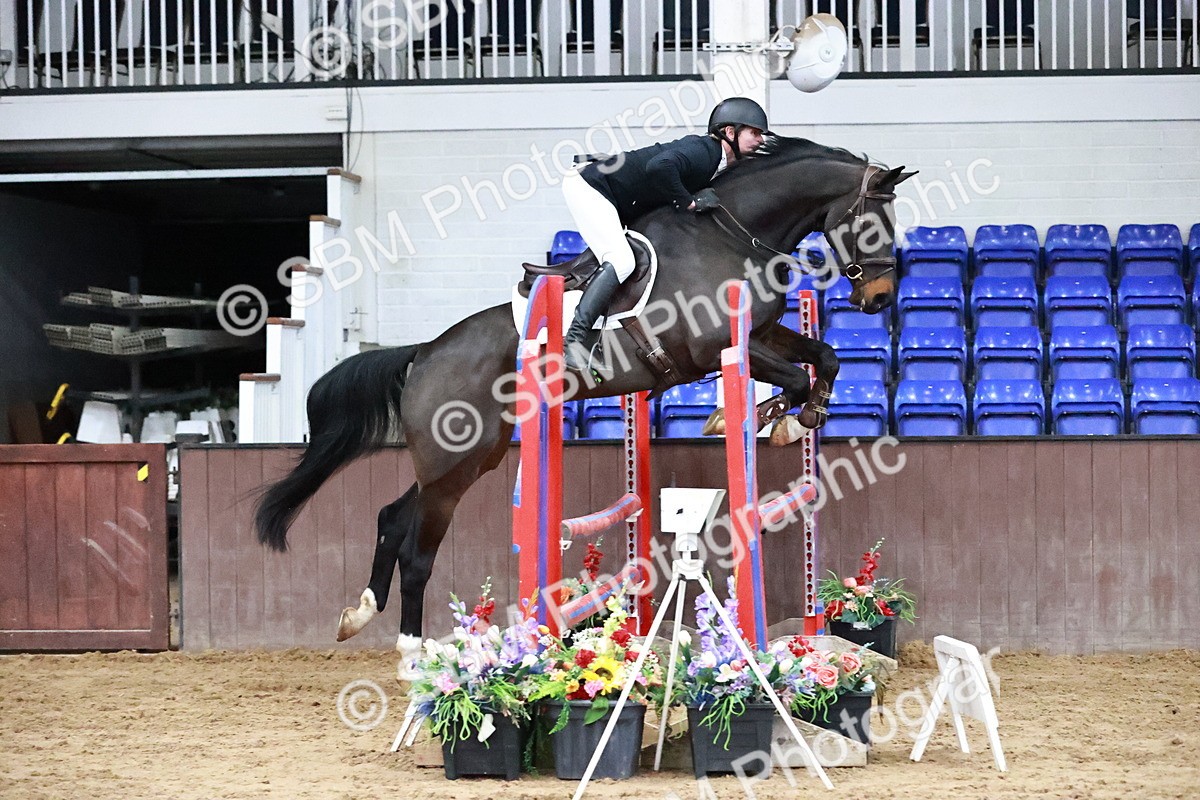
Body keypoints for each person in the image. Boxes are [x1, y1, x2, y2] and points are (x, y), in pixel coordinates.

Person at [560, 96, 770, 373]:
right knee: (622, 261)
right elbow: (658, 167)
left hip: (613, 197)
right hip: (590, 188)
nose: (760, 140)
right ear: (730, 133)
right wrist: (689, 202)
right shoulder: (704, 151)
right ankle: (575, 339)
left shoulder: (712, 160)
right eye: (754, 133)